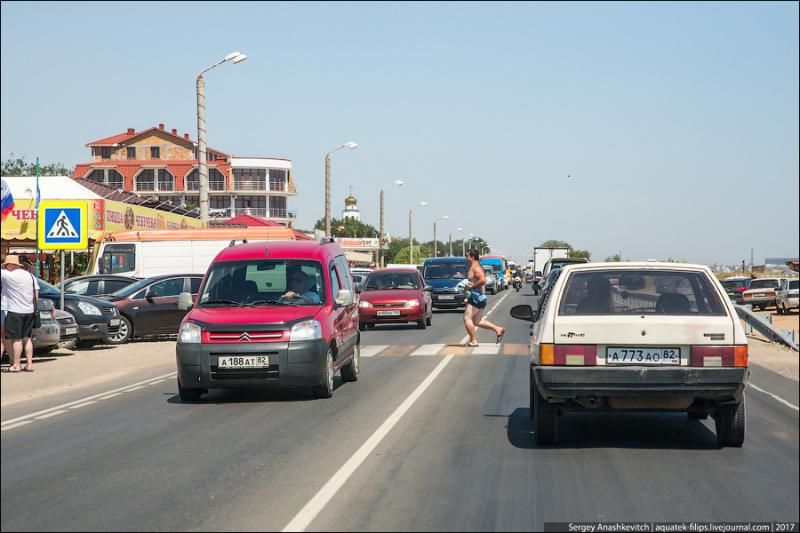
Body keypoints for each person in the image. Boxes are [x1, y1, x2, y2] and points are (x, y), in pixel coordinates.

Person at [1, 255, 39, 372]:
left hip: (15, 311)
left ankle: (16, 365)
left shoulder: (7, 275)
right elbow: (36, 293)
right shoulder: (30, 276)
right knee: (27, 339)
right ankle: (29, 364)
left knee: (16, 340)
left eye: (6, 265)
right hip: (30, 311)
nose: (6, 267)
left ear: (10, 265)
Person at [463, 249, 504, 347]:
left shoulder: (476, 267)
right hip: (479, 296)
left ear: (472, 257)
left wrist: (471, 287)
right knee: (477, 321)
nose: (466, 257)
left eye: (467, 255)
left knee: (467, 318)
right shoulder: (475, 266)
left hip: (476, 296)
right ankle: (498, 329)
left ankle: (474, 341)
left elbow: (482, 280)